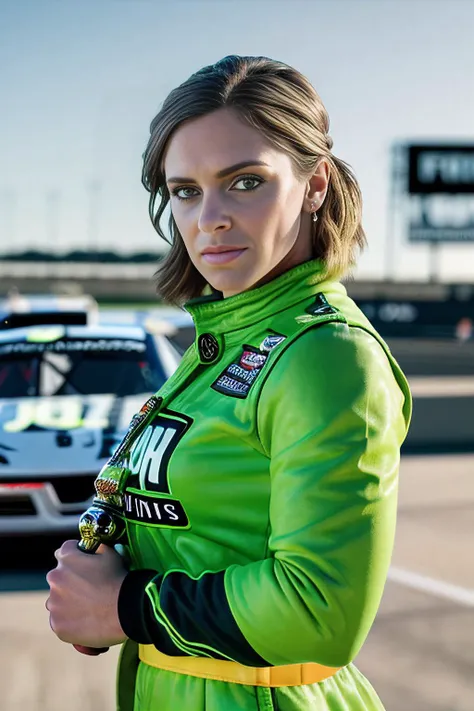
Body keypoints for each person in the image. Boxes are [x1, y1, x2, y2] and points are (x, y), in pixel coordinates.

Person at [46, 55, 412, 711]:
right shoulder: (220, 338)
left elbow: (320, 610)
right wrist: (107, 574)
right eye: (184, 189)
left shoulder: (328, 355)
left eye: (245, 181)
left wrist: (126, 605)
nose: (207, 217)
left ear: (316, 184)